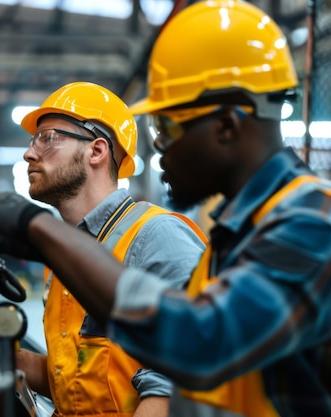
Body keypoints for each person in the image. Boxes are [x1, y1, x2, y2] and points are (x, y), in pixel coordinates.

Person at [0, 1, 331, 416]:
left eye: (168, 129)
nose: (157, 149)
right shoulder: (239, 234)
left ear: (227, 126)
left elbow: (199, 343)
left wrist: (36, 230)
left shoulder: (314, 222)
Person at [17, 81, 207, 417]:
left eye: (47, 139)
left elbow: (184, 379)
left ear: (96, 151)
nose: (29, 153)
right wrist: (4, 357)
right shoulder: (65, 254)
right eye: (33, 141)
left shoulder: (155, 236)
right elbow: (75, 381)